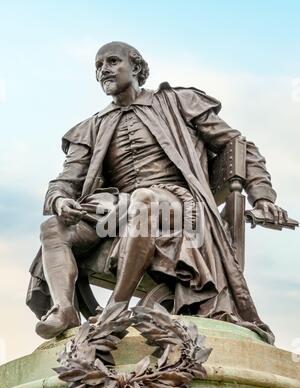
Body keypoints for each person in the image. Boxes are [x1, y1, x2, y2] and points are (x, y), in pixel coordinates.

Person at [26, 41, 287, 343]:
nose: (104, 70)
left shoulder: (179, 102)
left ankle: (117, 308)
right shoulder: (91, 127)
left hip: (180, 204)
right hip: (117, 209)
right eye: (98, 66)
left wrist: (264, 197)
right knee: (52, 228)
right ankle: (64, 310)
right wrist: (60, 200)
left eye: (112, 61)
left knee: (143, 199)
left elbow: (239, 146)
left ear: (135, 67)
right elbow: (66, 180)